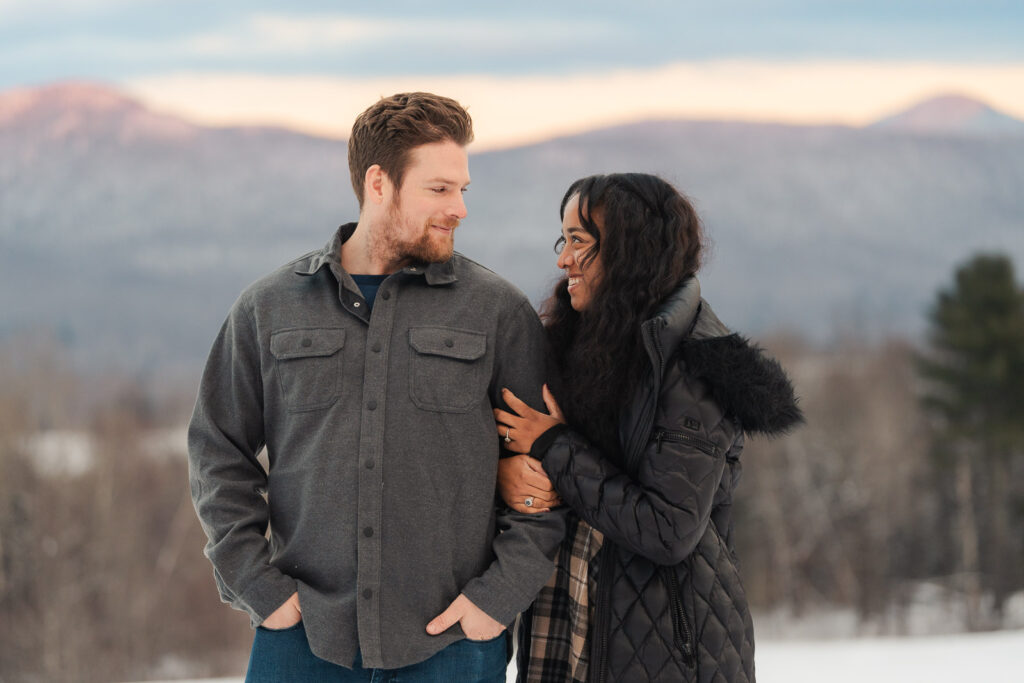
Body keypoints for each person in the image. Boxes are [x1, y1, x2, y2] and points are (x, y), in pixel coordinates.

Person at [188, 92, 565, 682]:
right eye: (439, 189)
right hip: (303, 641)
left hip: (452, 644)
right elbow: (217, 450)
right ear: (379, 183)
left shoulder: (497, 312)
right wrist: (257, 584)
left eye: (463, 189)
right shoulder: (268, 308)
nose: (460, 208)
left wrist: (498, 598)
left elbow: (544, 464)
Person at [494, 173, 803, 682]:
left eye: (579, 242)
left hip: (667, 651)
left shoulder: (689, 368)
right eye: (562, 240)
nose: (562, 259)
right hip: (567, 624)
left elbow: (667, 528)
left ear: (628, 252)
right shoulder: (575, 346)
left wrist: (551, 443)